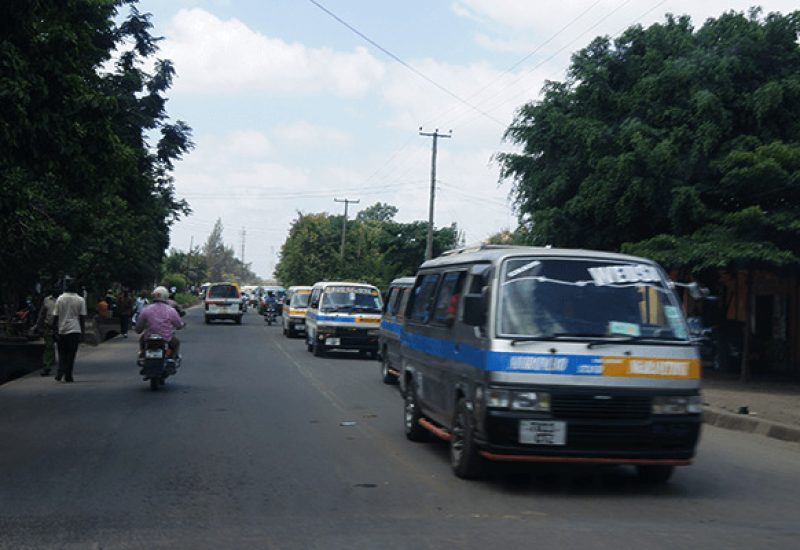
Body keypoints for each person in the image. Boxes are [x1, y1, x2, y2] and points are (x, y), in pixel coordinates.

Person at [52, 279, 87, 383]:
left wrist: (54, 329)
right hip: (75, 329)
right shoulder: (80, 300)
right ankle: (68, 375)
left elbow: (56, 315)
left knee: (62, 353)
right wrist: (83, 333)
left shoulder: (60, 299)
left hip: (62, 329)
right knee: (71, 354)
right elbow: (82, 317)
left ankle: (60, 371)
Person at [135, 286, 185, 359]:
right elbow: (179, 325)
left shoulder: (146, 310)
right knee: (176, 343)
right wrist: (180, 326)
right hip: (166, 338)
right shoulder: (171, 310)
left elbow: (138, 328)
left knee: (142, 341)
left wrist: (140, 329)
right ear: (166, 296)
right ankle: (172, 359)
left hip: (149, 337)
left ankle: (143, 355)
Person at [34, 287, 58, 376]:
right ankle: (47, 366)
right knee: (49, 346)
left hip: (61, 327)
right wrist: (38, 325)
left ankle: (63, 367)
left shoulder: (63, 299)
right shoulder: (47, 300)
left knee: (62, 347)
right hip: (48, 327)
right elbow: (42, 313)